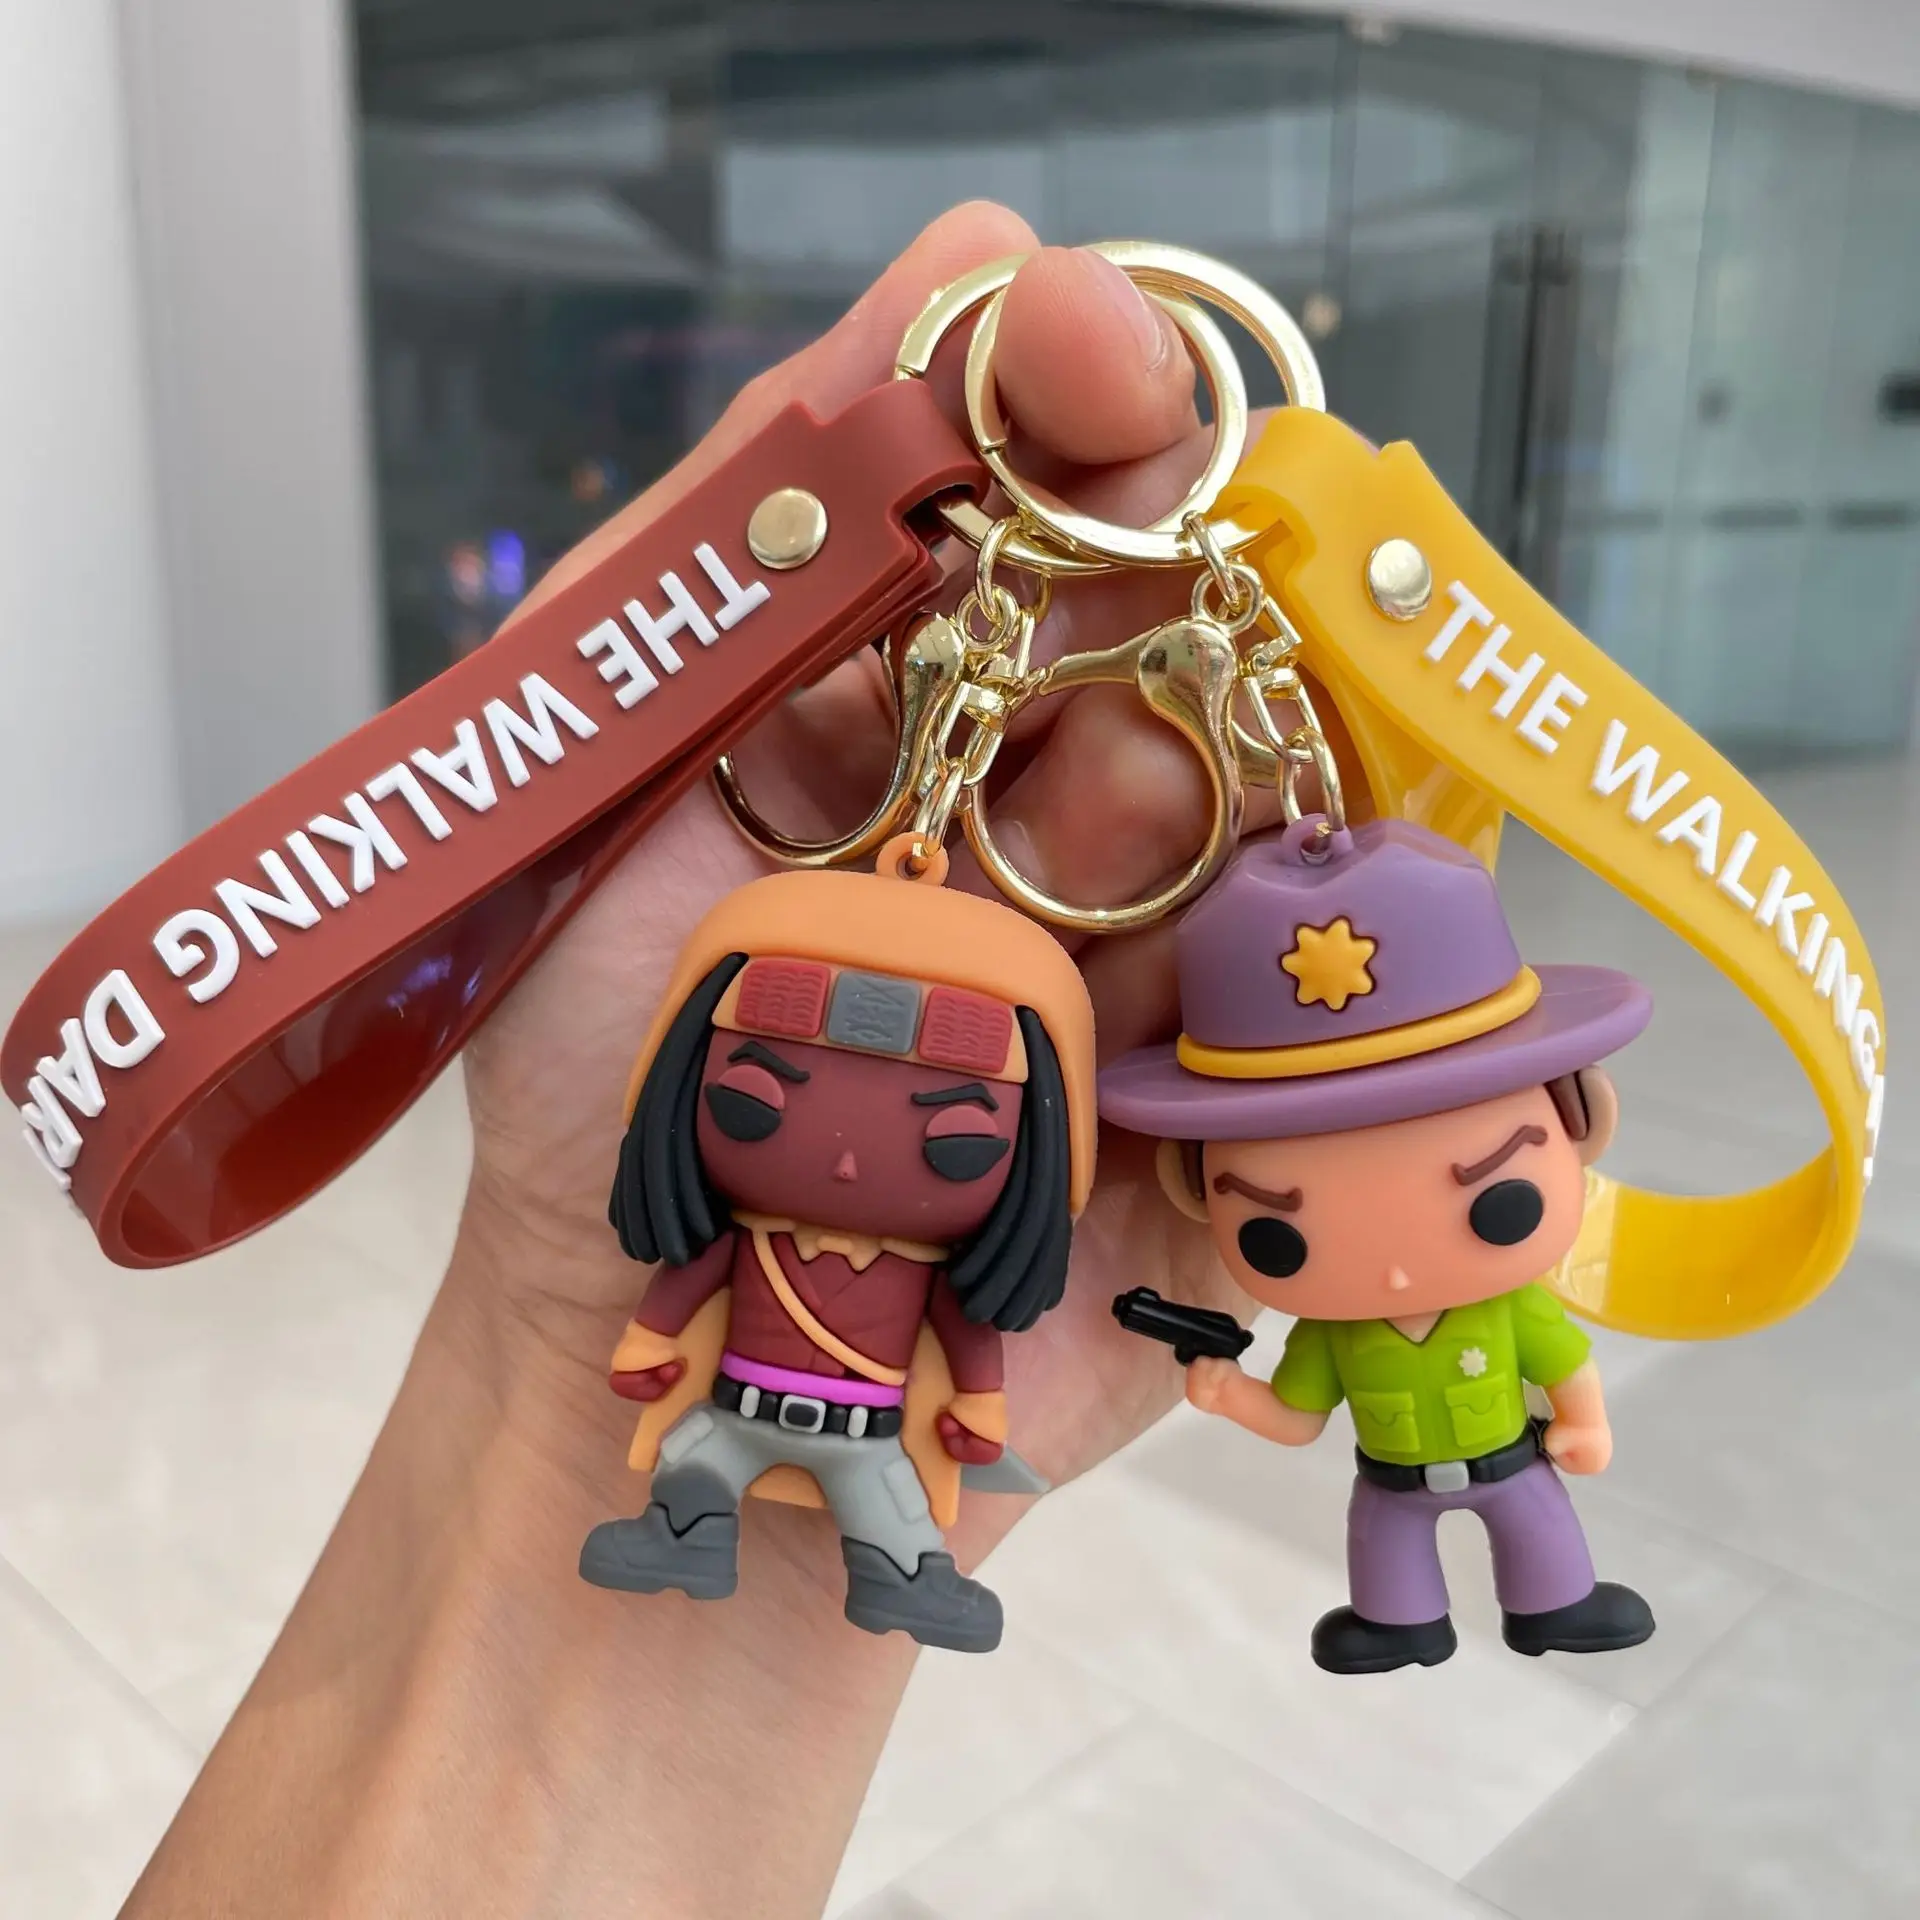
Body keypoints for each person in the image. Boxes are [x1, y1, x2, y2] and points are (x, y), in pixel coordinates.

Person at [119, 204, 1268, 1918]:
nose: (852, 1144)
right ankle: (686, 1529)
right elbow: (668, 1293)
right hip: (740, 1406)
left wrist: (971, 1393)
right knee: (706, 1469)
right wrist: (620, 1347)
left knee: (885, 1505)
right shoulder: (727, 1219)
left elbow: (968, 1335)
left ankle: (891, 1567)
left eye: (950, 1130)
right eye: (765, 1094)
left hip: (862, 1422)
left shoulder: (935, 1254)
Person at [1099, 815, 1658, 1674]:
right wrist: (1231, 1395)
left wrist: (1585, 1423)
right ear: (1192, 1186)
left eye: (1496, 1203)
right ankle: (1400, 1622)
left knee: (1538, 1528)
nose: (1395, 1269)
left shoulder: (1511, 1307)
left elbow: (1567, 1365)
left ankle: (1556, 1602)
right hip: (1391, 1482)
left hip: (1512, 1463)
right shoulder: (1332, 1336)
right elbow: (1298, 1421)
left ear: (1581, 1116)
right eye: (1279, 1237)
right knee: (1386, 1546)